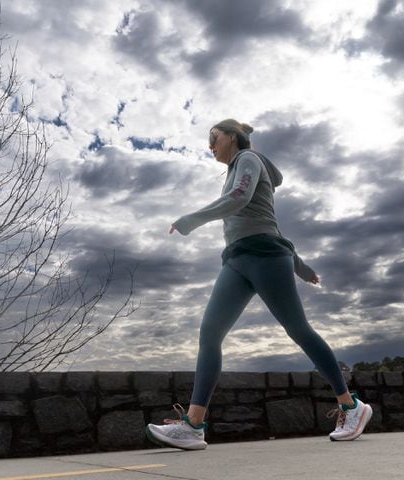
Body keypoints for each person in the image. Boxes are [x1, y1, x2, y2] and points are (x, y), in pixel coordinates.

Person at [145, 119, 372, 450]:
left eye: (215, 138)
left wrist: (191, 219)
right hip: (236, 260)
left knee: (298, 329)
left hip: (265, 255)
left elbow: (240, 199)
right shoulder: (235, 167)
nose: (211, 146)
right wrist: (302, 267)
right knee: (209, 334)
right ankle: (194, 425)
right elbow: (262, 219)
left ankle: (351, 406)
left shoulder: (248, 160)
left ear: (233, 137)